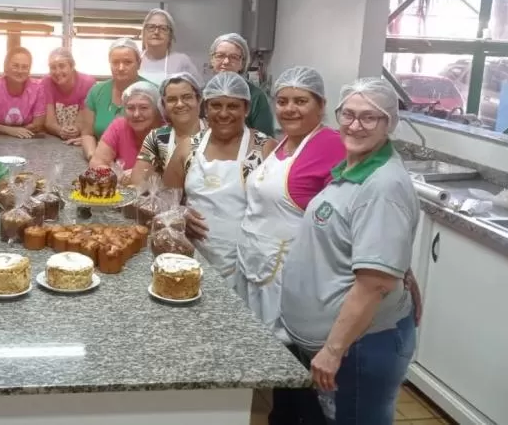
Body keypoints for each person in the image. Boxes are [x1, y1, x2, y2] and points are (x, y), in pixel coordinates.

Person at [279, 78, 420, 425]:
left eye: (369, 117)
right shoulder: (352, 168)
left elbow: (374, 284)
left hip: (360, 348)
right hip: (344, 345)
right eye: (349, 114)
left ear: (390, 123)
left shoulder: (383, 186)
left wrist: (333, 350)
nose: (355, 125)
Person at [233, 66, 346, 324]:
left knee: (279, 342)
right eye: (282, 101)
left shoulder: (332, 145)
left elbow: (345, 216)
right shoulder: (283, 141)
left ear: (321, 105)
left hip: (288, 273)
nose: (289, 109)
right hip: (253, 262)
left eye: (301, 101)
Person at [163, 72, 276, 278]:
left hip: (248, 265)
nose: (223, 114)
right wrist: (179, 213)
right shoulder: (188, 148)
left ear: (246, 109)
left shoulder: (264, 149)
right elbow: (164, 200)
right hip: (191, 260)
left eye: (232, 106)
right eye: (216, 105)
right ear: (205, 108)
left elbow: (276, 211)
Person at [79, 38, 151, 159]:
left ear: (139, 63)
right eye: (115, 62)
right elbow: (87, 134)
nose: (121, 68)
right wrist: (95, 157)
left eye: (127, 62)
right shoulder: (96, 91)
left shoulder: (152, 92)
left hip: (141, 162)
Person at [131, 72, 206, 185]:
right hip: (167, 196)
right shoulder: (156, 138)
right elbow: (138, 179)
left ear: (199, 99)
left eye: (187, 97)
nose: (180, 104)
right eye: (172, 99)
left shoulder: (214, 133)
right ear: (163, 105)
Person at [89, 81, 164, 179]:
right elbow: (96, 163)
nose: (136, 114)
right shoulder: (119, 126)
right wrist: (119, 177)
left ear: (157, 109)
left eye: (144, 108)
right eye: (130, 108)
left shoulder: (167, 131)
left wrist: (134, 176)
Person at [208, 33, 275, 135]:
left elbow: (266, 139)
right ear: (212, 60)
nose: (226, 61)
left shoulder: (256, 97)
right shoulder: (202, 94)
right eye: (220, 56)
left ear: (242, 63)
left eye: (234, 57)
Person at [0, 46, 46, 138]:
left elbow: (37, 124)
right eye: (15, 66)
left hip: (27, 137)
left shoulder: (38, 88)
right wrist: (10, 130)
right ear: (6, 67)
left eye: (25, 67)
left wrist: (28, 129)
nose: (20, 71)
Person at [42, 47, 96, 144]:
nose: (57, 72)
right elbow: (49, 121)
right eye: (53, 67)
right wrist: (60, 131)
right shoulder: (46, 82)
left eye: (62, 66)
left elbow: (86, 120)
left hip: (80, 138)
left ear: (72, 66)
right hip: (54, 137)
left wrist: (76, 129)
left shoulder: (87, 83)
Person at [138, 8, 200, 85]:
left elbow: (199, 88)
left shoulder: (182, 61)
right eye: (151, 27)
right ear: (143, 32)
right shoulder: (134, 58)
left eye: (163, 28)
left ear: (170, 35)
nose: (156, 32)